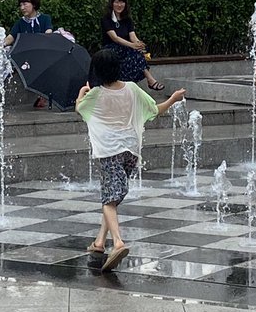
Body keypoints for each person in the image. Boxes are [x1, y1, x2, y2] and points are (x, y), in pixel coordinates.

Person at [75, 48, 185, 272]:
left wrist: (82, 93)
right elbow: (154, 111)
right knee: (113, 197)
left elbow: (80, 109)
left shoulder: (96, 94)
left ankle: (117, 242)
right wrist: (173, 99)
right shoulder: (133, 88)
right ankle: (98, 243)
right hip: (130, 150)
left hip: (109, 150)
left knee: (108, 198)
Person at [100, 0, 164, 91]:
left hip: (126, 48)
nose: (119, 5)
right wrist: (132, 45)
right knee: (134, 53)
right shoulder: (106, 19)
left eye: (122, 2)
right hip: (111, 48)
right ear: (112, 4)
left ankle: (147, 80)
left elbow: (132, 36)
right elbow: (114, 38)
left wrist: (139, 44)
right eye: (117, 2)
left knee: (138, 52)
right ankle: (150, 80)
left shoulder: (127, 20)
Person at [4, 0, 54, 108]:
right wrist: (0, 44)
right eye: (21, 5)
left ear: (34, 5)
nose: (22, 8)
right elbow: (11, 37)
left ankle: (43, 95)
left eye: (25, 4)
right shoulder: (20, 23)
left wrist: (45, 37)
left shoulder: (44, 19)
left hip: (42, 52)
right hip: (27, 55)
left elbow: (48, 31)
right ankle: (41, 95)